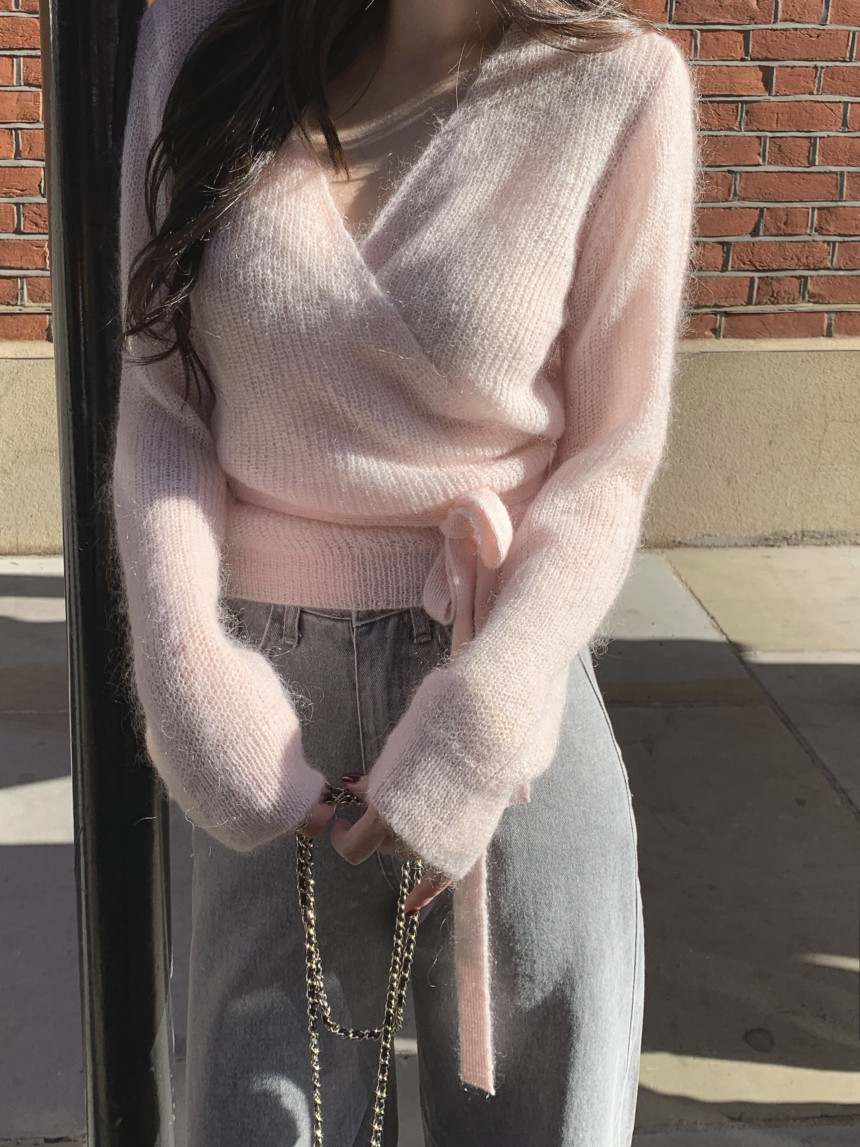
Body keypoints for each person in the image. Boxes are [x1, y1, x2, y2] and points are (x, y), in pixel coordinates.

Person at [110, 0, 698, 1142]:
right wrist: (186, 678)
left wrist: (483, 720)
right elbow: (161, 406)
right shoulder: (202, 34)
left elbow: (608, 464)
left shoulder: (620, 89)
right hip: (262, 738)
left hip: (505, 704)